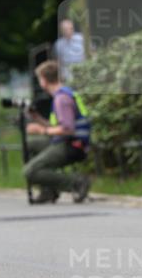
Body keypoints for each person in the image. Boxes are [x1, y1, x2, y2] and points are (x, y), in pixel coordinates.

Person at [23, 60, 91, 203]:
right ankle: (48, 190)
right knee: (29, 144)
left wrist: (42, 130)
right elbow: (58, 125)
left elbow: (67, 129)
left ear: (44, 80)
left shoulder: (61, 99)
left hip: (72, 145)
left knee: (30, 172)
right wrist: (37, 119)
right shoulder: (65, 94)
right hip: (69, 141)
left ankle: (76, 182)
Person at [53, 18, 85, 83]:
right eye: (65, 29)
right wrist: (60, 74)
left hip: (83, 68)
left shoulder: (81, 38)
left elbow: (92, 52)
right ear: (61, 31)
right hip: (68, 71)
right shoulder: (58, 44)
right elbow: (58, 61)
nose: (68, 31)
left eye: (70, 28)